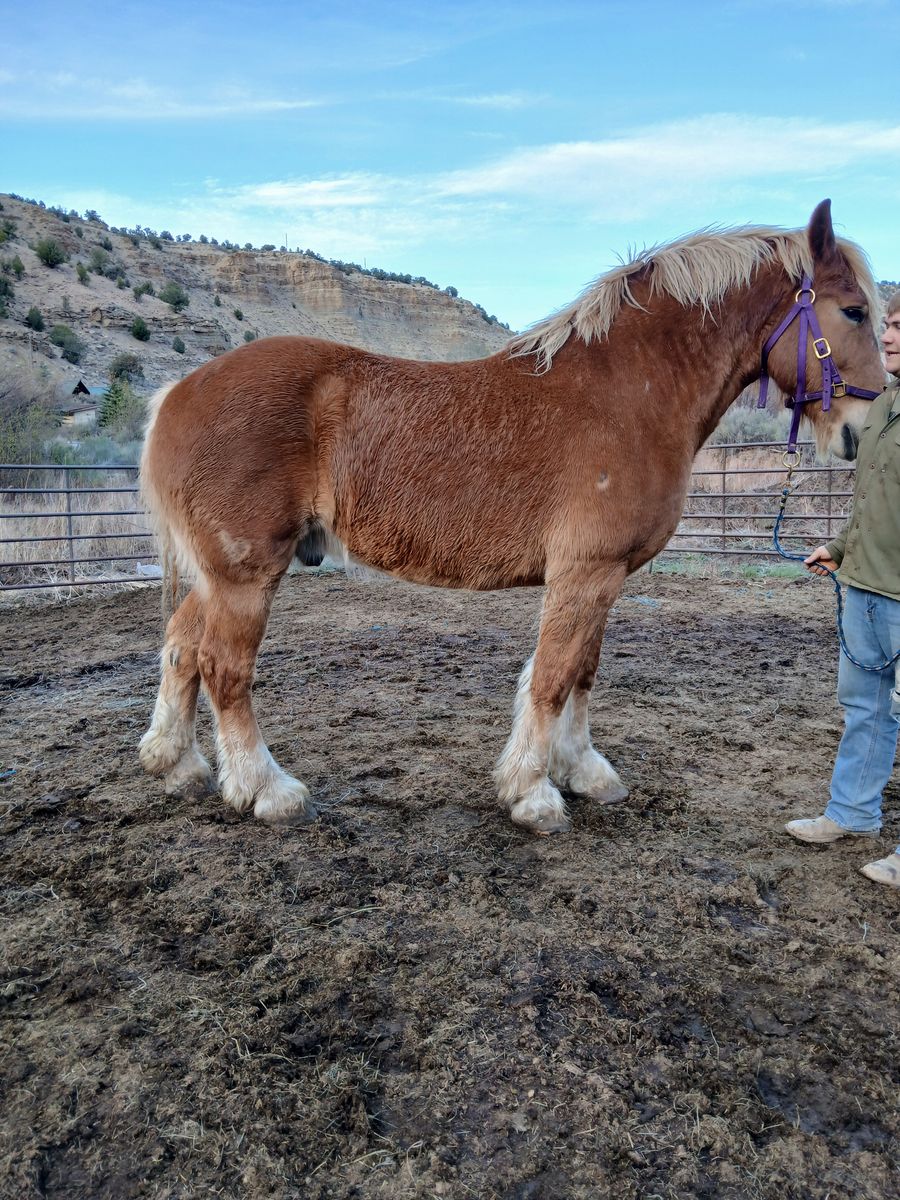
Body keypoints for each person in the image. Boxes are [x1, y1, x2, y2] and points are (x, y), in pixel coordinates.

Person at [785, 291, 900, 887]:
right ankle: (852, 815)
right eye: (888, 324)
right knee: (865, 707)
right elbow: (870, 500)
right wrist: (838, 546)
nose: (887, 335)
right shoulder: (881, 408)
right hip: (866, 585)